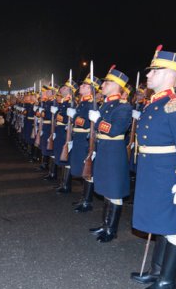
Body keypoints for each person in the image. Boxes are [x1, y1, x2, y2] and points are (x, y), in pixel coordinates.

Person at [130, 47, 176, 289]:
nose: (148, 75)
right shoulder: (156, 103)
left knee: (174, 226)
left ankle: (167, 281)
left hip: (169, 174)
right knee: (161, 222)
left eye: (154, 71)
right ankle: (156, 270)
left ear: (170, 73)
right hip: (153, 172)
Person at [87, 67, 133, 242]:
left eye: (107, 82)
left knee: (114, 191)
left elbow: (115, 130)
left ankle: (111, 230)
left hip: (114, 151)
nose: (103, 85)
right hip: (104, 149)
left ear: (117, 86)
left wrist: (97, 120)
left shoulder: (123, 107)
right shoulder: (105, 104)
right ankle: (104, 225)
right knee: (106, 188)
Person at [70, 75, 101, 212]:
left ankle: (87, 201)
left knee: (87, 170)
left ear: (91, 90)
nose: (80, 86)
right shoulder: (82, 102)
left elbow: (86, 123)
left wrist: (74, 116)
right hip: (78, 137)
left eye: (84, 85)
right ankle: (84, 198)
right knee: (82, 169)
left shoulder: (91, 104)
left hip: (85, 139)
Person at [54, 80, 77, 193]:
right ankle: (62, 183)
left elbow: (70, 119)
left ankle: (66, 185)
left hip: (66, 132)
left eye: (63, 88)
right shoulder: (64, 102)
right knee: (61, 157)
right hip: (60, 131)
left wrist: (59, 117)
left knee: (66, 158)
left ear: (69, 90)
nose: (61, 89)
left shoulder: (72, 103)